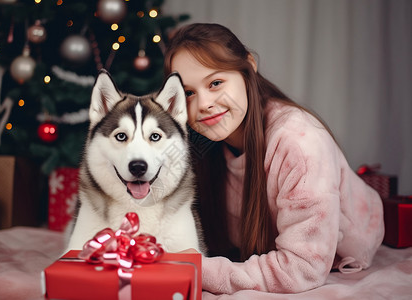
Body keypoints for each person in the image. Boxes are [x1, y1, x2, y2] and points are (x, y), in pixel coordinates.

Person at [163, 23, 384, 295]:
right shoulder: (198, 143)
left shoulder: (300, 142)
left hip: (345, 249)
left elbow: (303, 270)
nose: (203, 104)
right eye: (188, 93)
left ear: (248, 67)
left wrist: (198, 269)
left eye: (216, 83)